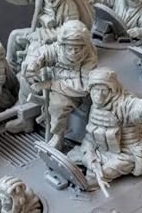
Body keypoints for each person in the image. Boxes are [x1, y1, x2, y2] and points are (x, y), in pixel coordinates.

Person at [68, 68, 142, 188]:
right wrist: (90, 157)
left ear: (111, 90)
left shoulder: (124, 104)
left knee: (105, 172)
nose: (99, 96)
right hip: (99, 149)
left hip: (126, 152)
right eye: (96, 90)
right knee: (72, 159)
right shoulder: (95, 105)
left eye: (103, 90)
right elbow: (91, 136)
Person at [0, 0, 94, 72]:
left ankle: (30, 74)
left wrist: (41, 35)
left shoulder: (68, 4)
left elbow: (71, 31)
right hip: (40, 33)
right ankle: (11, 71)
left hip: (61, 42)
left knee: (34, 49)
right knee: (15, 36)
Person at [21, 20, 98, 150]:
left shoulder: (89, 58)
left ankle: (58, 135)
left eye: (77, 48)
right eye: (70, 48)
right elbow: (44, 52)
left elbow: (82, 86)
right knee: (25, 80)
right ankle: (26, 120)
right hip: (54, 79)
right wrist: (35, 63)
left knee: (58, 105)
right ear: (63, 45)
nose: (73, 52)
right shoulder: (59, 48)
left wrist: (51, 84)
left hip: (71, 91)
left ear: (84, 46)